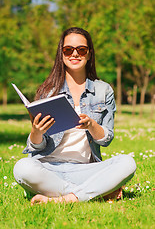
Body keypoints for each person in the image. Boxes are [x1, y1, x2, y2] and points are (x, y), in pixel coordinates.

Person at [13, 27, 136, 205]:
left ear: (89, 54)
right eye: (68, 50)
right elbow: (37, 147)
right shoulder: (48, 91)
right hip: (48, 167)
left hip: (86, 169)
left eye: (82, 50)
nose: (75, 54)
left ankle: (63, 198)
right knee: (22, 168)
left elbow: (106, 139)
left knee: (127, 163)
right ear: (61, 54)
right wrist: (36, 132)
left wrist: (92, 125)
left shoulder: (103, 91)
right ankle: (95, 192)